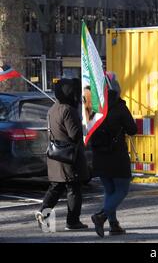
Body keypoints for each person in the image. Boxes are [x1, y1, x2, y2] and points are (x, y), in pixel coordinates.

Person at [35, 78, 89, 231]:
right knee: (74, 188)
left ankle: (43, 212)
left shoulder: (53, 108)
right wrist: (83, 126)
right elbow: (75, 134)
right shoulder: (68, 110)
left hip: (56, 155)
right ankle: (72, 222)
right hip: (69, 156)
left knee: (56, 187)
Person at [90, 72, 137, 238]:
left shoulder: (95, 109)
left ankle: (114, 225)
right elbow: (132, 130)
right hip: (117, 156)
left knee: (110, 191)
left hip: (99, 156)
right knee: (122, 189)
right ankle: (101, 216)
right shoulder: (119, 107)